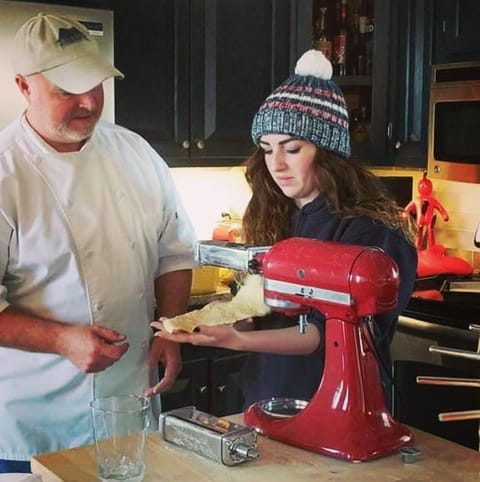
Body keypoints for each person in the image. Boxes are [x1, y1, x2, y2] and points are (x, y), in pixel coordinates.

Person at [153, 49, 418, 414]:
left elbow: (335, 336)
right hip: (264, 400)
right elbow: (262, 306)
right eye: (266, 149)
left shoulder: (372, 234)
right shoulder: (274, 215)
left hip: (339, 410)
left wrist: (238, 341)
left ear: (328, 151)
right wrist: (227, 318)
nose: (276, 164)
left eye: (292, 149)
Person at [0, 13, 195, 472]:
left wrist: (170, 330)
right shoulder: (6, 173)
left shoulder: (136, 153)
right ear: (24, 86)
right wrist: (61, 339)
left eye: (96, 83)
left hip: (130, 412)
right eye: (67, 90)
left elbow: (175, 251)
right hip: (34, 425)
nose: (89, 101)